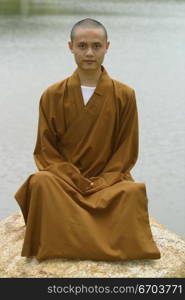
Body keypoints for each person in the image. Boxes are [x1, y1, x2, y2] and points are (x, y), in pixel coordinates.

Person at [14, 18, 161, 262]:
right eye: (82, 46)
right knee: (40, 182)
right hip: (65, 183)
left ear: (107, 47)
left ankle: (66, 239)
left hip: (109, 183)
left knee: (131, 192)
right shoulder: (52, 95)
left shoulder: (124, 95)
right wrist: (74, 180)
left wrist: (103, 181)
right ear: (70, 46)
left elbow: (126, 150)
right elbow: (46, 150)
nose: (89, 53)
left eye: (96, 45)